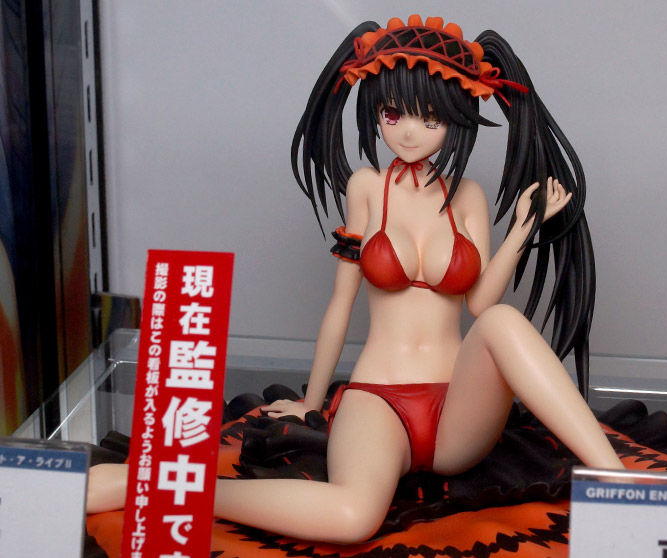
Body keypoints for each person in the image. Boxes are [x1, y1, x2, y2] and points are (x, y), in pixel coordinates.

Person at [87, 15, 624, 544]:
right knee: (351, 517)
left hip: (458, 408)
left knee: (503, 320)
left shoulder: (469, 197)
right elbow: (340, 303)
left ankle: (620, 485)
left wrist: (524, 227)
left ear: (457, 120)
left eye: (430, 119)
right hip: (377, 398)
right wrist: (312, 400)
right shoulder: (367, 187)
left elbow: (481, 305)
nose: (408, 132)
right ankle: (159, 486)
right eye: (393, 113)